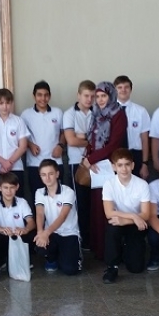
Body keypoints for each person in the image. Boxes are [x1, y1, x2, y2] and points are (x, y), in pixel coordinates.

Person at [80, 81, 128, 260]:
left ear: (111, 96)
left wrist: (92, 159)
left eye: (103, 96)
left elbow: (114, 144)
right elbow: (91, 141)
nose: (100, 100)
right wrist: (88, 158)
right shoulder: (96, 114)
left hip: (111, 167)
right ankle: (99, 249)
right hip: (97, 169)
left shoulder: (118, 114)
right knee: (97, 207)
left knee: (109, 207)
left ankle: (111, 252)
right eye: (97, 96)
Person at [101, 149, 150, 284]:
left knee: (136, 268)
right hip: (120, 221)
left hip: (135, 225)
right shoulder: (109, 184)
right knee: (112, 228)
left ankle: (126, 251)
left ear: (133, 165)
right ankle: (112, 267)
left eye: (127, 164)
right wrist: (132, 216)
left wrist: (127, 220)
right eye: (120, 165)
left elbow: (146, 214)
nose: (124, 169)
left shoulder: (142, 185)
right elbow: (109, 213)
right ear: (114, 167)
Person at [33, 160, 82, 276]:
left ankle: (69, 255)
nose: (47, 178)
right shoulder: (39, 192)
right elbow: (40, 214)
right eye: (43, 175)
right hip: (52, 233)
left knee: (70, 270)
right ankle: (52, 259)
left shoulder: (68, 192)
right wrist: (40, 233)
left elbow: (63, 216)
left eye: (50, 174)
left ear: (57, 174)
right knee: (39, 246)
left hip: (69, 233)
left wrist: (46, 233)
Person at [63, 80, 95, 249]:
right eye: (86, 95)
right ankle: (83, 240)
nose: (89, 99)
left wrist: (82, 137)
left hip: (97, 163)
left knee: (95, 203)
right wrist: (90, 140)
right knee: (80, 204)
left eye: (92, 96)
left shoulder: (98, 112)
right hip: (77, 164)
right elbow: (71, 140)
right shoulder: (69, 114)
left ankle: (95, 239)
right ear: (78, 95)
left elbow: (104, 139)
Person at [0, 88, 30, 199]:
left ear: (12, 103)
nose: (5, 106)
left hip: (16, 167)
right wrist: (3, 162)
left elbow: (23, 146)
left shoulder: (18, 121)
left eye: (8, 103)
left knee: (18, 200)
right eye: (1, 103)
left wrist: (10, 162)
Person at [21, 81, 64, 203]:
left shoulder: (58, 112)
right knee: (38, 199)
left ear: (50, 96)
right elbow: (21, 137)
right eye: (39, 95)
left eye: (46, 95)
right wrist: (30, 144)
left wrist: (60, 145)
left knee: (57, 199)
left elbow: (63, 133)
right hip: (35, 163)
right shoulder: (25, 114)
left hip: (55, 161)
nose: (43, 98)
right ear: (34, 96)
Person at [0, 172, 35, 271]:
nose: (9, 191)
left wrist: (25, 229)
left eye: (12, 187)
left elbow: (31, 222)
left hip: (18, 236)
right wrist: (0, 229)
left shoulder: (22, 202)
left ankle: (24, 258)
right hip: (3, 237)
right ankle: (1, 260)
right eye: (5, 187)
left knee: (32, 234)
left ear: (17, 187)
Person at [114, 75, 151, 179]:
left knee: (136, 185)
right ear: (114, 90)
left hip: (135, 155)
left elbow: (145, 139)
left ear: (131, 89)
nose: (123, 90)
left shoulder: (141, 111)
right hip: (115, 155)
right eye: (120, 87)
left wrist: (145, 163)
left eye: (126, 87)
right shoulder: (108, 111)